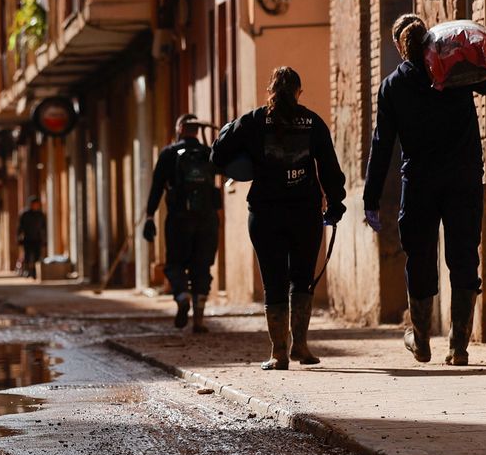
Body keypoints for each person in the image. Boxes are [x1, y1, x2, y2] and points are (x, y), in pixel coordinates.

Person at [363, 14, 486, 366]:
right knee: (463, 256)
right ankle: (459, 347)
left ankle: (422, 339)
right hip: (463, 178)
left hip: (420, 183)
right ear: (429, 38)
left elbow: (382, 145)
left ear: (399, 47)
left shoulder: (392, 86)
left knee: (420, 258)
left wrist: (371, 198)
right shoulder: (454, 70)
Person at [211, 66, 347, 371]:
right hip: (305, 213)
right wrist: (336, 204)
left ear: (270, 91)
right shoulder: (312, 122)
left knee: (273, 281)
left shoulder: (254, 120)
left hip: (265, 214)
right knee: (302, 279)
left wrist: (232, 134)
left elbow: (217, 156)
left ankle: (278, 353)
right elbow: (329, 167)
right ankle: (301, 345)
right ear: (298, 92)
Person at [143, 113, 221, 332]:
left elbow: (157, 186)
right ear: (196, 130)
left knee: (175, 263)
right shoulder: (208, 152)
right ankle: (198, 319)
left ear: (179, 129)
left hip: (178, 220)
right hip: (207, 220)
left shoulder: (169, 153)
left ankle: (181, 294)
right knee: (202, 266)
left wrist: (150, 216)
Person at [17, 196, 46, 278]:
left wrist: (44, 239)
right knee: (27, 256)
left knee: (37, 256)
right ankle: (27, 271)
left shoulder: (40, 215)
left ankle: (35, 273)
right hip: (27, 238)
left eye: (37, 204)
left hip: (37, 239)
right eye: (34, 204)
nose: (35, 206)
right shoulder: (25, 214)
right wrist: (19, 237)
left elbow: (44, 227)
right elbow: (20, 227)